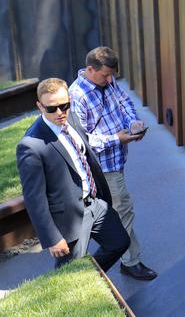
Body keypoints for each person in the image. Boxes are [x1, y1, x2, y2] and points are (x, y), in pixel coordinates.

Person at [16, 78, 130, 271]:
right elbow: (34, 199)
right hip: (68, 219)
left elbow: (86, 157)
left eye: (65, 105)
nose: (60, 113)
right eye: (52, 108)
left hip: (95, 204)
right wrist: (52, 237)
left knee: (119, 242)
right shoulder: (30, 145)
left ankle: (90, 277)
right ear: (39, 106)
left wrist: (101, 199)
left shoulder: (72, 118)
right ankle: (81, 282)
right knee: (69, 272)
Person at [68, 47, 158, 280]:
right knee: (123, 209)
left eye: (112, 76)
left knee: (113, 211)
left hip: (116, 159)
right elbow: (82, 141)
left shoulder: (107, 82)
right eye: (105, 75)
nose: (109, 80)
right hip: (101, 166)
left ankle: (105, 262)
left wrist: (134, 122)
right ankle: (125, 262)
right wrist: (116, 138)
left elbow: (124, 101)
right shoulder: (77, 95)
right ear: (90, 69)